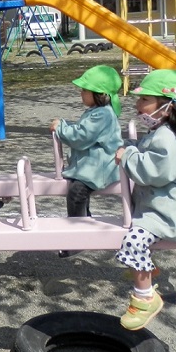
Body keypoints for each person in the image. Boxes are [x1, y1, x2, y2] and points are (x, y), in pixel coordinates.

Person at [113, 69, 176, 331]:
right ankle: (146, 269)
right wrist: (133, 148)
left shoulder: (167, 138)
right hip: (166, 209)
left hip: (172, 215)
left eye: (145, 99)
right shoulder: (163, 132)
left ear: (167, 107)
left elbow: (153, 172)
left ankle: (145, 298)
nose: (138, 104)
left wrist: (128, 156)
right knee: (135, 237)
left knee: (133, 242)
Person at [49, 65, 124, 238]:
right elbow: (83, 130)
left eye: (84, 90)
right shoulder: (97, 111)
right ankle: (84, 222)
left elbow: (81, 137)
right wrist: (65, 125)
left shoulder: (103, 114)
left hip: (101, 167)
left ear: (100, 94)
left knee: (77, 193)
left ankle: (78, 235)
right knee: (78, 189)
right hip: (92, 166)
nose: (81, 93)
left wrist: (60, 128)